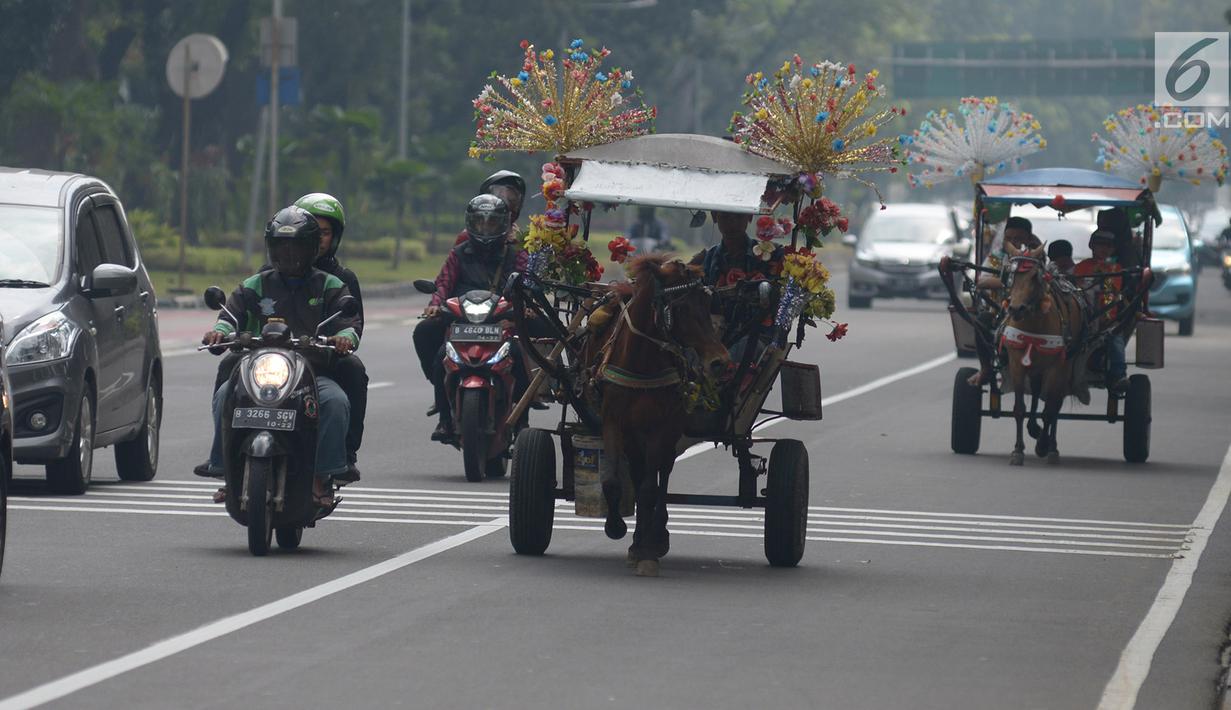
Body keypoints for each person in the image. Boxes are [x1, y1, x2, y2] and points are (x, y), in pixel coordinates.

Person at [194, 193, 367, 482]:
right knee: (226, 393)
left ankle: (324, 476)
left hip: (313, 371)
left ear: (312, 247)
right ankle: (225, 468)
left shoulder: (332, 284)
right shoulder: (256, 283)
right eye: (281, 246)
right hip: (260, 369)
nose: (288, 253)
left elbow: (348, 321)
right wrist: (219, 332)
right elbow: (231, 314)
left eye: (297, 246)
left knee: (336, 401)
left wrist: (344, 338)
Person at [414, 194, 529, 440]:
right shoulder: (458, 254)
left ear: (504, 224)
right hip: (461, 322)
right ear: (470, 223)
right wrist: (435, 306)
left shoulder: (516, 254)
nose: (485, 229)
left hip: (502, 323)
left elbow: (526, 285)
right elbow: (443, 283)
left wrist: (523, 309)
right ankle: (445, 418)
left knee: (520, 358)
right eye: (480, 222)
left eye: (492, 223)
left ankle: (521, 420)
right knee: (436, 352)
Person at [968, 216, 1042, 385]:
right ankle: (986, 369)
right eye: (1009, 238)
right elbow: (981, 281)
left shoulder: (1036, 257)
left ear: (1029, 239)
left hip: (1032, 312)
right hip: (1000, 312)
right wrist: (1010, 282)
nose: (1013, 242)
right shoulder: (996, 257)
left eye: (1019, 238)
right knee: (981, 322)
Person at [1075, 229, 1127, 393]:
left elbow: (1112, 292)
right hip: (1081, 318)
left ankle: (1119, 375)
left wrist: (1104, 273)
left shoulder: (1116, 268)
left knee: (1115, 339)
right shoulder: (1082, 267)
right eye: (1100, 245)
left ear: (1113, 249)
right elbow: (1076, 288)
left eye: (1108, 246)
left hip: (1107, 319)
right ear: (1092, 246)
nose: (1104, 249)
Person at [453, 170, 527, 247]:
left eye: (511, 200)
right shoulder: (467, 237)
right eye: (499, 197)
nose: (506, 205)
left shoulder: (520, 239)